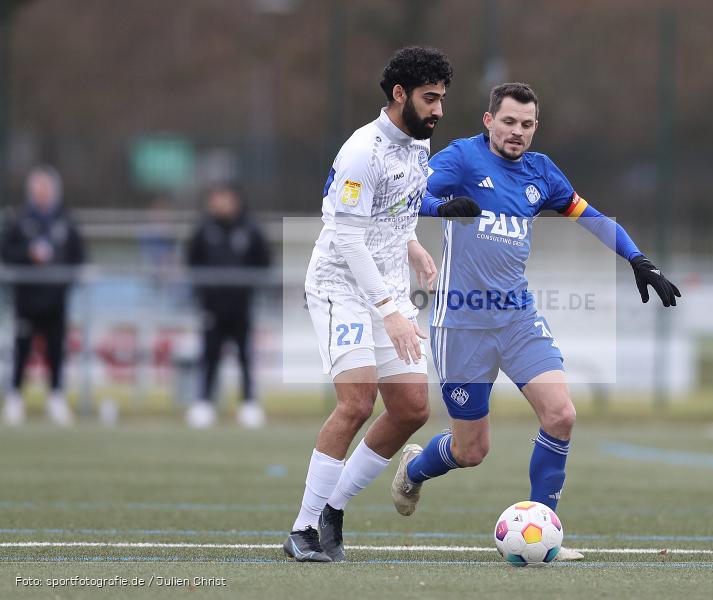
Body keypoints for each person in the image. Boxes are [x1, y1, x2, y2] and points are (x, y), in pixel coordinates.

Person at [390, 83, 681, 561]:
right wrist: (439, 206)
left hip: (518, 319)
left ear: (535, 128)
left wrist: (637, 258)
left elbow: (594, 218)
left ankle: (546, 530)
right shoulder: (461, 159)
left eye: (526, 125)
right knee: (471, 451)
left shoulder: (541, 172)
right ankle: (415, 469)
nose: (517, 132)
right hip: (461, 324)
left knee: (562, 415)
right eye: (508, 122)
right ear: (489, 121)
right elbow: (401, 198)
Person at [283, 46, 452, 563]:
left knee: (411, 409)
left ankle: (334, 507)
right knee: (356, 402)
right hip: (343, 288)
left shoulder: (418, 144)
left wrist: (414, 243)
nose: (438, 110)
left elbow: (393, 213)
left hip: (387, 287)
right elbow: (349, 237)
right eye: (429, 99)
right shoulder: (363, 150)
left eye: (442, 98)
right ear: (399, 95)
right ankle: (302, 529)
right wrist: (389, 309)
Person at [1, 166, 86, 426]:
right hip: (27, 298)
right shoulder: (19, 220)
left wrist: (67, 280)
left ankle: (56, 397)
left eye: (46, 188)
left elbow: (78, 256)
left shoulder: (66, 220)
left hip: (56, 299)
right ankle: (15, 397)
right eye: (38, 189)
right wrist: (29, 255)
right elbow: (6, 252)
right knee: (22, 349)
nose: (42, 194)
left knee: (56, 349)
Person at [185, 183, 271, 429]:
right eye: (216, 198)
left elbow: (264, 261)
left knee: (245, 356)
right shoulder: (204, 229)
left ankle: (248, 404)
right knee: (209, 355)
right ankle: (203, 403)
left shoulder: (250, 228)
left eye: (224, 198)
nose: (220, 203)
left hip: (242, 306)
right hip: (211, 307)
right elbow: (192, 261)